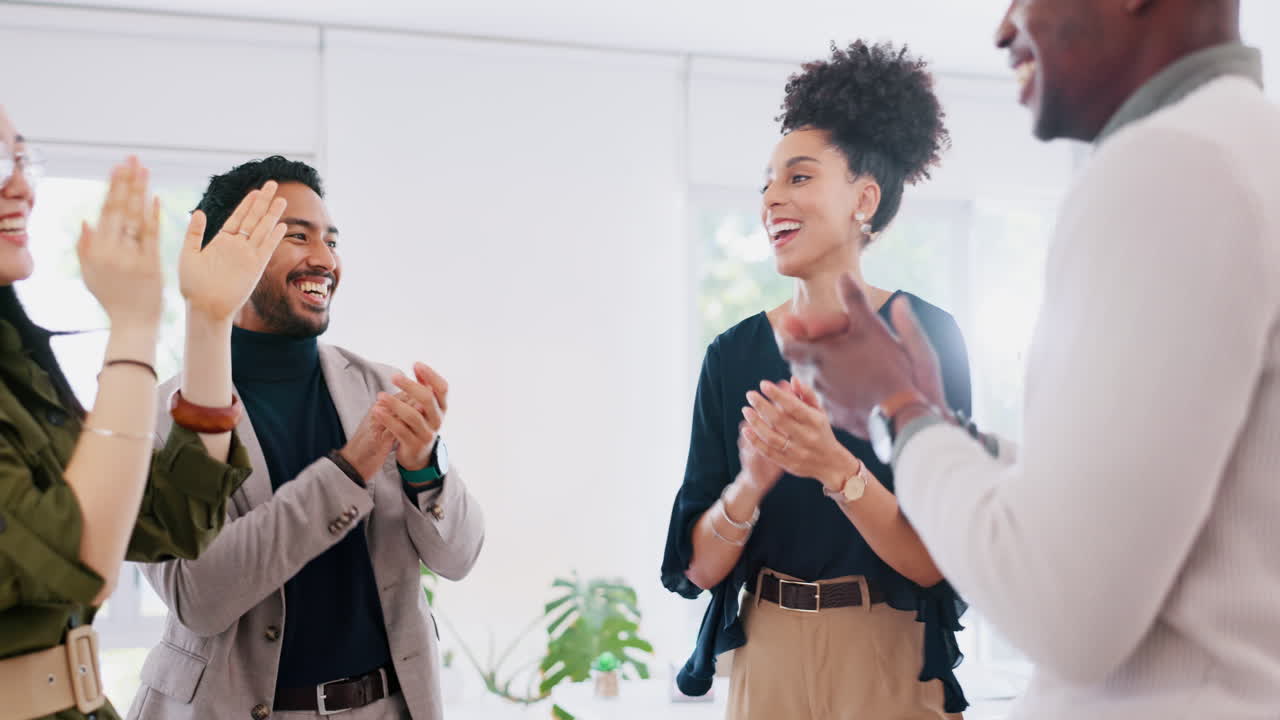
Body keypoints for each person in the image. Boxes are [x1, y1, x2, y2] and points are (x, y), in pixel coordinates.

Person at [777, 2, 1280, 719]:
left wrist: (901, 413)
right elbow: (1139, 500)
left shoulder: (1171, 166)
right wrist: (954, 434)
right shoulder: (1246, 151)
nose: (1005, 28)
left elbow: (1063, 607)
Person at [662, 42, 971, 720]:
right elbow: (699, 569)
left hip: (889, 653)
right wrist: (750, 484)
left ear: (865, 199)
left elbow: (935, 561)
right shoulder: (732, 356)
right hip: (765, 651)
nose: (772, 198)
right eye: (767, 184)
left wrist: (833, 466)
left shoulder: (928, 338)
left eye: (799, 177)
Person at [128, 157, 485, 720]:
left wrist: (425, 467)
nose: (325, 259)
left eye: (331, 240)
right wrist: (348, 470)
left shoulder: (379, 388)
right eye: (297, 236)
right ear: (227, 252)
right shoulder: (159, 418)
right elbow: (201, 598)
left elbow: (459, 557)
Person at [0, 104, 285, 720]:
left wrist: (209, 320)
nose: (19, 184)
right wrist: (132, 325)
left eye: (22, 158)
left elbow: (173, 517)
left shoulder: (15, 364)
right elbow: (78, 564)